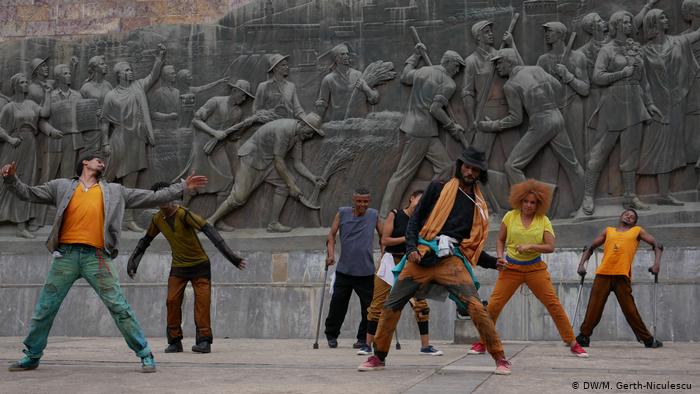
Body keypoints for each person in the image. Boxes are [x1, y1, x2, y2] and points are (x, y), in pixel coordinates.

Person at [1, 152, 207, 373]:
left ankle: (145, 353)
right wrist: (11, 178)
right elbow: (28, 194)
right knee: (45, 308)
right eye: (97, 159)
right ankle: (32, 355)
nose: (102, 162)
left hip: (96, 258)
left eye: (103, 161)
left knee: (119, 307)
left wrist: (182, 187)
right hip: (66, 257)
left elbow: (152, 197)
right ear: (85, 163)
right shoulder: (60, 186)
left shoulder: (115, 191)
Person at [358, 147, 512, 375]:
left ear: (480, 173)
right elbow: (415, 220)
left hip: (450, 261)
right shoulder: (438, 187)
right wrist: (410, 248)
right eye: (466, 166)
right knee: (391, 306)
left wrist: (492, 263)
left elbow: (469, 247)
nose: (469, 171)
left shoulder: (477, 204)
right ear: (460, 166)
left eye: (475, 169)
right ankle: (378, 356)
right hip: (421, 255)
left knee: (477, 308)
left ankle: (500, 358)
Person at [467, 179, 588, 358]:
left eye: (533, 202)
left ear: (539, 204)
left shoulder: (543, 220)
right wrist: (500, 257)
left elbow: (550, 246)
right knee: (493, 306)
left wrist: (531, 246)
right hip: (511, 268)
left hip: (535, 269)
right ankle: (483, 342)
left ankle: (572, 342)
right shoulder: (510, 216)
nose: (529, 205)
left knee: (553, 304)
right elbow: (500, 239)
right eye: (526, 201)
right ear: (520, 201)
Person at [127, 182, 246, 354]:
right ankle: (174, 341)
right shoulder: (157, 220)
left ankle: (204, 341)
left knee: (202, 304)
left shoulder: (183, 214)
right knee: (172, 301)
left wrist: (232, 258)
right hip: (179, 267)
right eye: (161, 197)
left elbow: (208, 229)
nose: (166, 201)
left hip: (200, 266)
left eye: (168, 197)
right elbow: (145, 241)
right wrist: (133, 262)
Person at [476, 48, 585, 209]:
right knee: (573, 164)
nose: (497, 67)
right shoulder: (536, 69)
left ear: (510, 61)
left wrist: (492, 125)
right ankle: (583, 205)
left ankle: (531, 208)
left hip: (541, 122)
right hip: (557, 117)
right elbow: (557, 87)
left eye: (499, 62)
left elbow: (516, 118)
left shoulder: (510, 85)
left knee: (512, 165)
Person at [581, 11, 661, 215]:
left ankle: (629, 196)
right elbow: (597, 77)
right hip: (613, 104)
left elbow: (644, 82)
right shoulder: (607, 50)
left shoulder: (636, 49)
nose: (629, 25)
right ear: (616, 25)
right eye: (624, 22)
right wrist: (620, 74)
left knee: (631, 153)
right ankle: (588, 195)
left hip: (634, 103)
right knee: (600, 151)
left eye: (630, 22)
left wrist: (649, 104)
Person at [379, 44, 466, 218]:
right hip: (422, 131)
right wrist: (452, 126)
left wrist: (415, 56)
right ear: (448, 63)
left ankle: (425, 203)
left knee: (446, 167)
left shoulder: (423, 71)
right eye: (456, 66)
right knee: (403, 174)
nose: (457, 70)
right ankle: (384, 216)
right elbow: (435, 109)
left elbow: (405, 75)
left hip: (419, 129)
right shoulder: (448, 83)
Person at [207, 113, 326, 233]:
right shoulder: (285, 130)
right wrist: (292, 186)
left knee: (284, 185)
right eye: (310, 132)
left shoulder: (298, 136)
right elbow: (279, 161)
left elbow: (298, 163)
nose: (310, 136)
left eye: (313, 134)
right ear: (303, 124)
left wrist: (313, 178)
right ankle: (211, 221)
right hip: (252, 159)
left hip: (267, 162)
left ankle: (273, 224)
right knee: (239, 197)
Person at [360, 190, 443, 356]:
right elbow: (385, 240)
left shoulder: (423, 220)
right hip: (391, 260)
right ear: (411, 198)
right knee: (377, 304)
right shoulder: (396, 214)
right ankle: (367, 344)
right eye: (418, 200)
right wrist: (409, 238)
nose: (420, 205)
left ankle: (425, 346)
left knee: (420, 304)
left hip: (411, 263)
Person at [102, 44, 167, 232]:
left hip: (136, 139)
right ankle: (98, 212)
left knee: (131, 181)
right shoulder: (111, 96)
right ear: (119, 74)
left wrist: (159, 58)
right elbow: (105, 122)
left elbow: (152, 77)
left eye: (131, 70)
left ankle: (128, 219)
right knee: (108, 178)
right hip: (119, 139)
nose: (131, 72)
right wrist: (105, 142)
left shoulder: (138, 86)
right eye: (127, 70)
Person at [576, 209, 663, 349]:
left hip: (622, 275)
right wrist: (581, 265)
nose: (629, 216)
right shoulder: (608, 231)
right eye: (627, 214)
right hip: (603, 274)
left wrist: (656, 264)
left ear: (635, 222)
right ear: (621, 216)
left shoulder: (637, 231)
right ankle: (583, 337)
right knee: (594, 307)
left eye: (633, 217)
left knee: (630, 310)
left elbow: (657, 245)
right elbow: (591, 247)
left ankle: (647, 339)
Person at [176, 79, 254, 223]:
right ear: (235, 91)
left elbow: (232, 137)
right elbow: (196, 120)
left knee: (228, 180)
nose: (244, 99)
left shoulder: (238, 112)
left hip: (218, 147)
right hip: (202, 144)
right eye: (243, 95)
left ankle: (218, 221)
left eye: (246, 98)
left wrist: (245, 126)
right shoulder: (216, 101)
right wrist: (214, 132)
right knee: (194, 179)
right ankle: (179, 212)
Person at [0, 73, 61, 239]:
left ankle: (21, 224)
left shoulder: (31, 104)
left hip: (30, 145)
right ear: (15, 86)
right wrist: (10, 139)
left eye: (27, 81)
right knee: (6, 182)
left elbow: (45, 113)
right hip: (13, 146)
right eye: (22, 82)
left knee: (25, 182)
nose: (26, 84)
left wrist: (48, 92)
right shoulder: (9, 107)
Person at [324, 188, 381, 349]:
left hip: (366, 271)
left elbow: (384, 236)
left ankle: (362, 339)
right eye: (359, 201)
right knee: (337, 304)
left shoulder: (373, 215)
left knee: (368, 308)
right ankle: (331, 335)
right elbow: (331, 235)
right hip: (345, 270)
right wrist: (330, 255)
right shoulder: (342, 213)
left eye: (365, 201)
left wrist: (385, 257)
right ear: (353, 200)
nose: (362, 204)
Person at [315, 43, 379, 121]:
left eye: (347, 54)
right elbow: (322, 103)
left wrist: (365, 88)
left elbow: (374, 99)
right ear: (336, 58)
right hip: (338, 121)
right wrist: (316, 121)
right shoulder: (328, 79)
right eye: (342, 54)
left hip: (357, 120)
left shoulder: (358, 75)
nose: (346, 56)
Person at [253, 54, 304, 119]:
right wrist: (270, 113)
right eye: (283, 65)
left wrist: (306, 120)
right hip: (270, 124)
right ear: (275, 68)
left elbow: (297, 109)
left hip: (288, 124)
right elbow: (256, 110)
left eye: (287, 65)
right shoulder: (263, 87)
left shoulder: (291, 86)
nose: (287, 67)